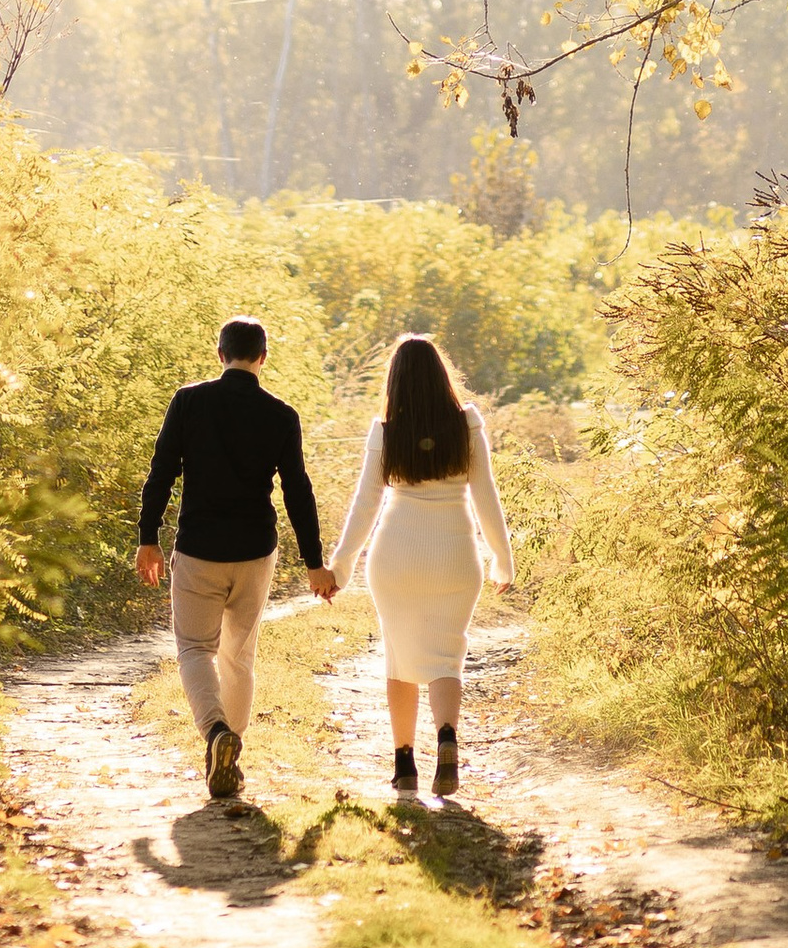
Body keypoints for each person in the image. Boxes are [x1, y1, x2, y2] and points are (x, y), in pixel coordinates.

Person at [136, 314, 338, 806]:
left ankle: (215, 734)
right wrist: (315, 561)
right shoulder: (281, 414)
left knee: (194, 651)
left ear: (219, 353)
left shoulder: (189, 401)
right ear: (263, 358)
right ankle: (233, 753)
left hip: (199, 549)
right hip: (254, 553)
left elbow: (161, 470)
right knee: (239, 656)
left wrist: (148, 537)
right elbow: (298, 491)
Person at [329, 331, 513, 801]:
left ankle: (404, 764)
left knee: (400, 657)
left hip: (396, 556)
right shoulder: (467, 422)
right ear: (441, 376)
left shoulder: (385, 430)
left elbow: (365, 505)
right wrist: (502, 558)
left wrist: (341, 565)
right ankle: (447, 738)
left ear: (396, 382)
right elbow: (485, 495)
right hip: (455, 555)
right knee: (447, 655)